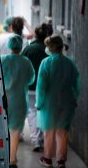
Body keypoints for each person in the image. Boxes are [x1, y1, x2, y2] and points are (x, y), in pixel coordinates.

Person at [36, 35, 80, 168]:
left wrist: (39, 103)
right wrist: (74, 98)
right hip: (67, 102)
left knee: (49, 131)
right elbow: (76, 83)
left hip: (49, 103)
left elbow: (41, 86)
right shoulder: (69, 63)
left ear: (50, 47)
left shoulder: (46, 63)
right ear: (61, 47)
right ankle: (61, 161)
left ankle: (48, 159)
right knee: (62, 132)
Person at [1, 34, 35, 168]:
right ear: (21, 46)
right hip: (19, 100)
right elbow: (31, 79)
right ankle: (12, 159)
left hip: (4, 100)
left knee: (3, 129)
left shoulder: (3, 60)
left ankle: (2, 155)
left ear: (9, 46)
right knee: (15, 131)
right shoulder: (26, 61)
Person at [21, 23, 51, 152]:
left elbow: (21, 64)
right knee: (44, 112)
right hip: (46, 88)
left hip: (30, 87)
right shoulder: (49, 50)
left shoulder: (28, 49)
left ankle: (36, 141)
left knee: (32, 112)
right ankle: (44, 139)